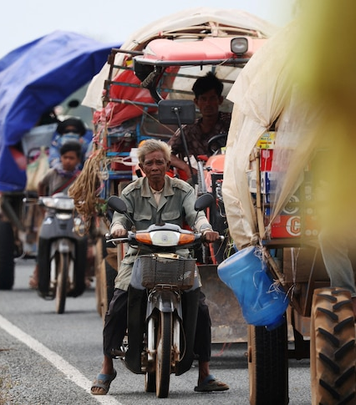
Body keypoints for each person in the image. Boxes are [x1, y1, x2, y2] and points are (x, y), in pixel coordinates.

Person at [90, 139, 229, 395]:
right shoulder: (131, 192)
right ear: (141, 167)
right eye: (149, 163)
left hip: (178, 255)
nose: (155, 167)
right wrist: (118, 228)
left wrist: (205, 229)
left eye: (160, 162)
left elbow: (196, 214)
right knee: (118, 304)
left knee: (199, 306)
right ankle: (107, 367)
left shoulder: (183, 189)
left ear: (167, 165)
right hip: (139, 256)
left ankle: (205, 373)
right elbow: (120, 217)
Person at [29, 141, 82, 288]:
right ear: (60, 158)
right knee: (43, 239)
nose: (68, 161)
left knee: (82, 240)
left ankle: (80, 275)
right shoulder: (53, 173)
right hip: (53, 214)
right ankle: (38, 273)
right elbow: (41, 185)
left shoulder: (80, 176)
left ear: (78, 160)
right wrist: (43, 203)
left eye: (71, 158)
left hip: (72, 215)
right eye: (65, 157)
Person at [167, 72, 232, 180]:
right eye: (203, 99)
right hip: (202, 179)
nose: (208, 104)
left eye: (212, 98)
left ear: (220, 100)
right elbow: (166, 152)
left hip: (230, 174)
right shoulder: (188, 129)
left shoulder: (231, 121)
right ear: (196, 102)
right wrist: (186, 168)